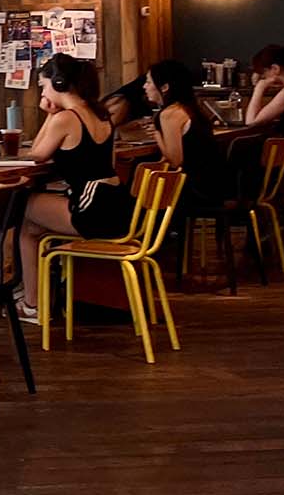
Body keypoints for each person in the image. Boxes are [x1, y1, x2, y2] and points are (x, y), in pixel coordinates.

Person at [17, 55, 134, 321]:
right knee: (30, 228)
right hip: (116, 204)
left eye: (44, 86)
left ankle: (32, 304)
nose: (43, 92)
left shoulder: (66, 119)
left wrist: (49, 115)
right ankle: (34, 300)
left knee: (20, 208)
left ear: (58, 84)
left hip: (92, 210)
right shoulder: (100, 113)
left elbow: (36, 154)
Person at [145, 59, 229, 206]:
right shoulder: (189, 108)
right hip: (217, 183)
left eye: (149, 82)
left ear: (164, 87)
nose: (145, 87)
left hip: (196, 188)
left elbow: (176, 161)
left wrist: (157, 135)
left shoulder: (170, 113)